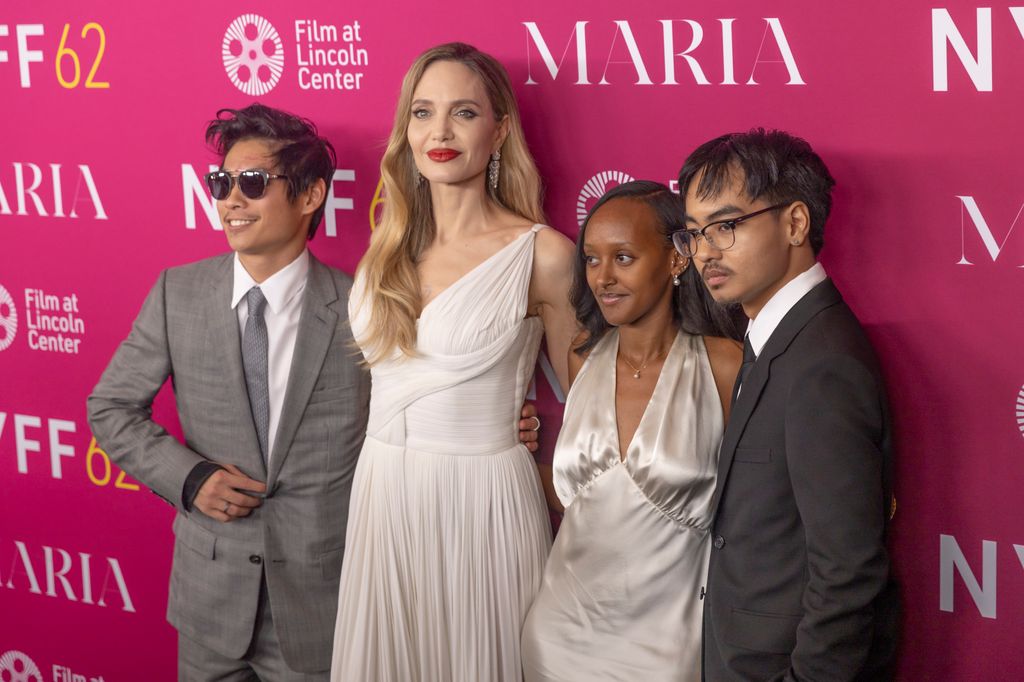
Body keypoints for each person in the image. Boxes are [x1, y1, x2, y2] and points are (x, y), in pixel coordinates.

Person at [86, 103, 539, 681]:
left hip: (324, 603)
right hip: (209, 602)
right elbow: (111, 405)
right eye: (221, 183)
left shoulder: (365, 304)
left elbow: (420, 398)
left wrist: (503, 418)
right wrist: (189, 479)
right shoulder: (179, 293)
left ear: (309, 196)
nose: (231, 200)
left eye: (252, 183)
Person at [330, 42, 577, 682]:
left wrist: (541, 439)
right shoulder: (384, 254)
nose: (438, 132)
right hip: (383, 491)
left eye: (463, 112)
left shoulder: (542, 254)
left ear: (498, 132)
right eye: (422, 112)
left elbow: (598, 409)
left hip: (483, 502)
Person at [675, 129, 899, 681]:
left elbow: (847, 570)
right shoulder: (772, 337)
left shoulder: (823, 363)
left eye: (726, 227)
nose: (705, 252)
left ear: (795, 223)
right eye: (695, 233)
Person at [520, 181, 741, 681]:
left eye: (624, 257)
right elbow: (592, 501)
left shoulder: (725, 366)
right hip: (558, 641)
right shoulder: (581, 357)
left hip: (669, 651)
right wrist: (512, 454)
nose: (603, 278)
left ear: (677, 259)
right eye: (592, 260)